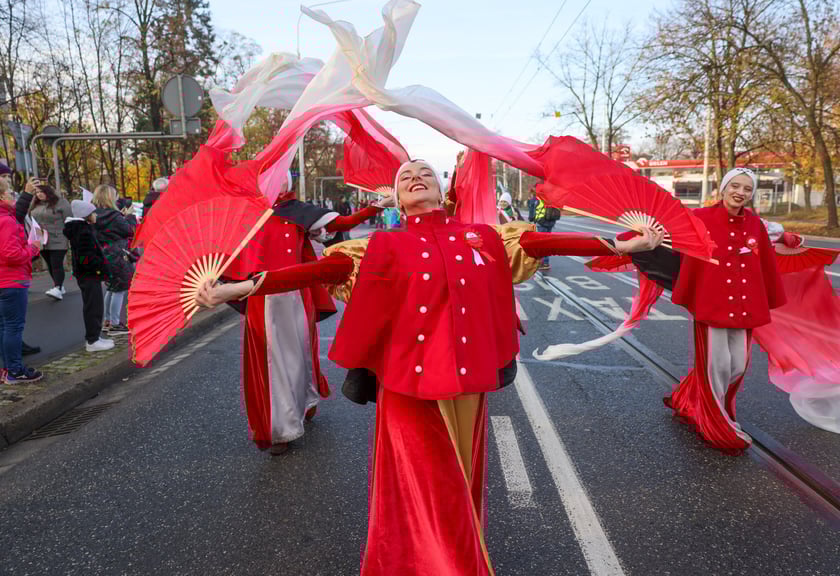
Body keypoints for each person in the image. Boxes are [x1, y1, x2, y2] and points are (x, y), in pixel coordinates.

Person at [196, 160, 658, 574]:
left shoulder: (485, 237)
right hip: (406, 383)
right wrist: (239, 288)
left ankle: (456, 552)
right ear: (398, 199)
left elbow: (542, 243)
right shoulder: (377, 246)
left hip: (468, 381)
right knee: (428, 482)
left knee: (461, 476)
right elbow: (315, 273)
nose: (416, 178)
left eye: (425, 174)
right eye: (406, 177)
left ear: (442, 191)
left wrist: (620, 244)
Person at [624, 168, 801, 454]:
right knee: (717, 365)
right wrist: (632, 238)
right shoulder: (699, 217)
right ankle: (716, 422)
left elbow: (770, 242)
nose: (740, 192)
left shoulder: (756, 224)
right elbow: (665, 232)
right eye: (735, 186)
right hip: (711, 302)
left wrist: (789, 238)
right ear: (724, 187)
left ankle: (689, 399)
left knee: (738, 365)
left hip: (744, 305)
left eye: (747, 188)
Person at [221, 180, 392, 456]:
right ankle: (281, 429)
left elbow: (342, 223)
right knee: (272, 362)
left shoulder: (296, 210)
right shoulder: (241, 213)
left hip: (297, 292)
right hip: (261, 295)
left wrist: (377, 206)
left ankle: (306, 400)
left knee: (300, 353)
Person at [0, 176, 44, 384]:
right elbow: (11, 254)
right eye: (10, 193)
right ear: (2, 197)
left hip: (4, 280)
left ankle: (7, 368)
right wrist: (33, 248)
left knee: (4, 327)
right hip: (12, 280)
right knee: (13, 327)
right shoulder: (6, 221)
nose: (13, 196)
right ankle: (15, 370)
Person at [64, 200, 114, 352]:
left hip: (87, 274)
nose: (96, 215)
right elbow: (86, 257)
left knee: (94, 306)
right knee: (94, 307)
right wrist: (99, 267)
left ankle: (95, 337)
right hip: (89, 274)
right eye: (93, 213)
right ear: (86, 215)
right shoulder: (83, 232)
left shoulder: (82, 228)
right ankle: (92, 340)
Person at [92, 185, 135, 335]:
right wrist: (130, 217)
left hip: (104, 254)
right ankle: (115, 324)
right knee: (120, 289)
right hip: (118, 255)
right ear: (110, 197)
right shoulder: (114, 216)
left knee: (111, 288)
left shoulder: (94, 214)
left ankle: (107, 321)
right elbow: (129, 231)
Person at [29, 183, 72, 300]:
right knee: (50, 265)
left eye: (41, 192)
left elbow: (69, 219)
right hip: (42, 239)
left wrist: (70, 237)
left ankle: (57, 288)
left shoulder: (61, 203)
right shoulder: (35, 204)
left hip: (58, 238)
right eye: (37, 192)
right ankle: (59, 286)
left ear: (48, 192)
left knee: (56, 263)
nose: (39, 194)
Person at [533, 196, 562, 270]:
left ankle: (543, 262)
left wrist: (535, 220)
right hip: (550, 223)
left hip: (541, 223)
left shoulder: (540, 199)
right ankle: (545, 262)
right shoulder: (553, 198)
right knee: (546, 243)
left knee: (541, 244)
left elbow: (535, 210)